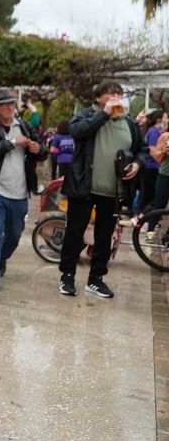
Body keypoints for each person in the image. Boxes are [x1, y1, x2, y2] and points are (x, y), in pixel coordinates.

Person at [57, 80, 144, 299]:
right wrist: (104, 114)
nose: (116, 96)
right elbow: (76, 131)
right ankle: (67, 276)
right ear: (97, 97)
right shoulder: (87, 115)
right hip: (84, 188)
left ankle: (96, 279)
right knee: (75, 233)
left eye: (119, 93)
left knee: (104, 237)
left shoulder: (129, 122)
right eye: (110, 92)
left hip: (114, 191)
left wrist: (137, 164)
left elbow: (141, 149)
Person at [0, 87, 48, 291]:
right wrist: (10, 143)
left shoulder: (24, 127)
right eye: (4, 104)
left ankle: (1, 259)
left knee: (15, 234)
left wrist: (38, 149)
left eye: (12, 103)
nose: (10, 107)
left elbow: (42, 150)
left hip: (19, 192)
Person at [139, 109, 165, 216]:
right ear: (159, 120)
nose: (167, 120)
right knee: (153, 197)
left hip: (153, 167)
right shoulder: (154, 132)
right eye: (165, 117)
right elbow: (154, 152)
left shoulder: (155, 131)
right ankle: (143, 218)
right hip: (152, 168)